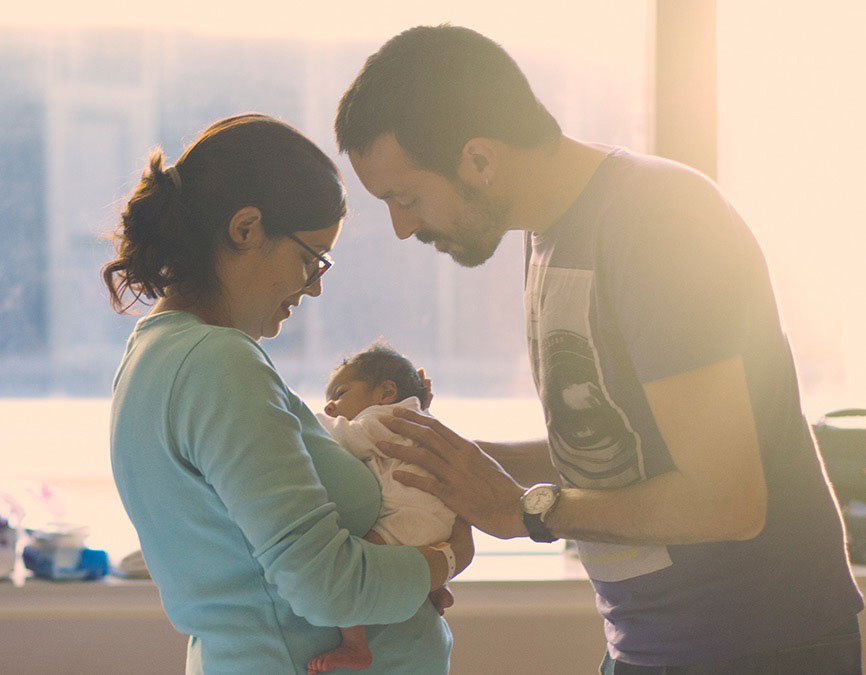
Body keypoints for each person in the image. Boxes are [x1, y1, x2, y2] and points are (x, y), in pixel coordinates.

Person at [334, 25, 864, 673]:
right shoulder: (551, 235)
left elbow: (727, 498)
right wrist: (454, 471)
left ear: (479, 159)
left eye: (405, 197)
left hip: (761, 647)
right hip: (647, 648)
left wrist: (523, 510)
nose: (402, 226)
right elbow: (623, 450)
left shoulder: (657, 220)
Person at [103, 113, 473, 674]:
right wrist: (444, 558)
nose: (316, 284)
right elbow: (327, 587)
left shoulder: (152, 356)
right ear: (246, 228)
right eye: (309, 258)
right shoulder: (218, 364)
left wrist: (394, 582)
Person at [309, 342, 457, 674]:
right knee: (402, 558)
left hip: (410, 519)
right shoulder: (416, 417)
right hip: (432, 521)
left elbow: (343, 438)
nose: (331, 407)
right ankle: (434, 588)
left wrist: (302, 418)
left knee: (354, 569)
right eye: (327, 401)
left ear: (386, 392)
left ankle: (355, 644)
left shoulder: (386, 418)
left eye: (340, 393)